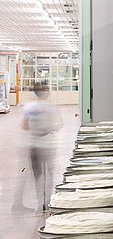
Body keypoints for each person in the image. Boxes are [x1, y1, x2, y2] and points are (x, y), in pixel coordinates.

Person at [12, 81, 62, 213]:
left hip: (32, 146)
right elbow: (58, 125)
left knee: (37, 175)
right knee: (48, 175)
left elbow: (23, 126)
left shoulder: (29, 107)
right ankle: (46, 202)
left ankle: (40, 202)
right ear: (46, 92)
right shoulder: (51, 108)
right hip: (46, 146)